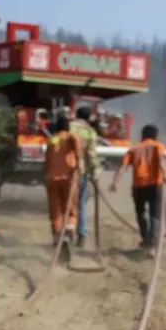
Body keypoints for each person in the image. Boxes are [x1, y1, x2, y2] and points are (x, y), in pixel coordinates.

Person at [108, 125, 166, 248]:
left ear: (142, 135)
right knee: (155, 214)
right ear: (155, 135)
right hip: (155, 185)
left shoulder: (134, 149)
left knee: (140, 213)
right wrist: (165, 175)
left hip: (138, 186)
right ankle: (154, 240)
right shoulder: (158, 146)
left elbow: (122, 167)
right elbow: (161, 160)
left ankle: (146, 238)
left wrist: (115, 182)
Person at [45, 116, 84, 248]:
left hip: (52, 179)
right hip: (69, 179)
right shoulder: (71, 137)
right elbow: (76, 141)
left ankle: (57, 236)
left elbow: (47, 161)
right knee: (71, 209)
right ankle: (68, 232)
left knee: (56, 210)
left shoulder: (52, 140)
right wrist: (79, 162)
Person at [69, 106, 100, 248]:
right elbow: (92, 155)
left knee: (65, 203)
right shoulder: (90, 132)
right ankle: (81, 232)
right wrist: (95, 175)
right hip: (81, 172)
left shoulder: (68, 126)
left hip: (65, 171)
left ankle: (65, 232)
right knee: (80, 202)